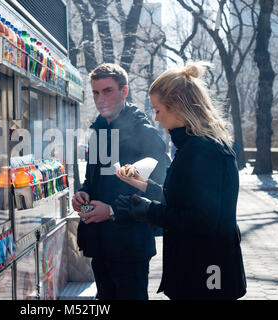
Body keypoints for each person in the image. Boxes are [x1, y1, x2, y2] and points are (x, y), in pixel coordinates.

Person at [114, 61, 247, 300]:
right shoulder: (196, 146)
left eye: (158, 110)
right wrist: (143, 186)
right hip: (202, 265)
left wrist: (147, 211)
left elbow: (202, 220)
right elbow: (187, 200)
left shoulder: (201, 150)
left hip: (208, 269)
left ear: (176, 106)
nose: (155, 118)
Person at [72, 63, 171, 300]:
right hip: (100, 242)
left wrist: (113, 211)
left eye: (107, 91)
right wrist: (83, 194)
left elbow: (161, 193)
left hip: (130, 245)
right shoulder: (97, 131)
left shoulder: (144, 133)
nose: (100, 98)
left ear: (124, 92)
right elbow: (92, 180)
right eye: (95, 92)